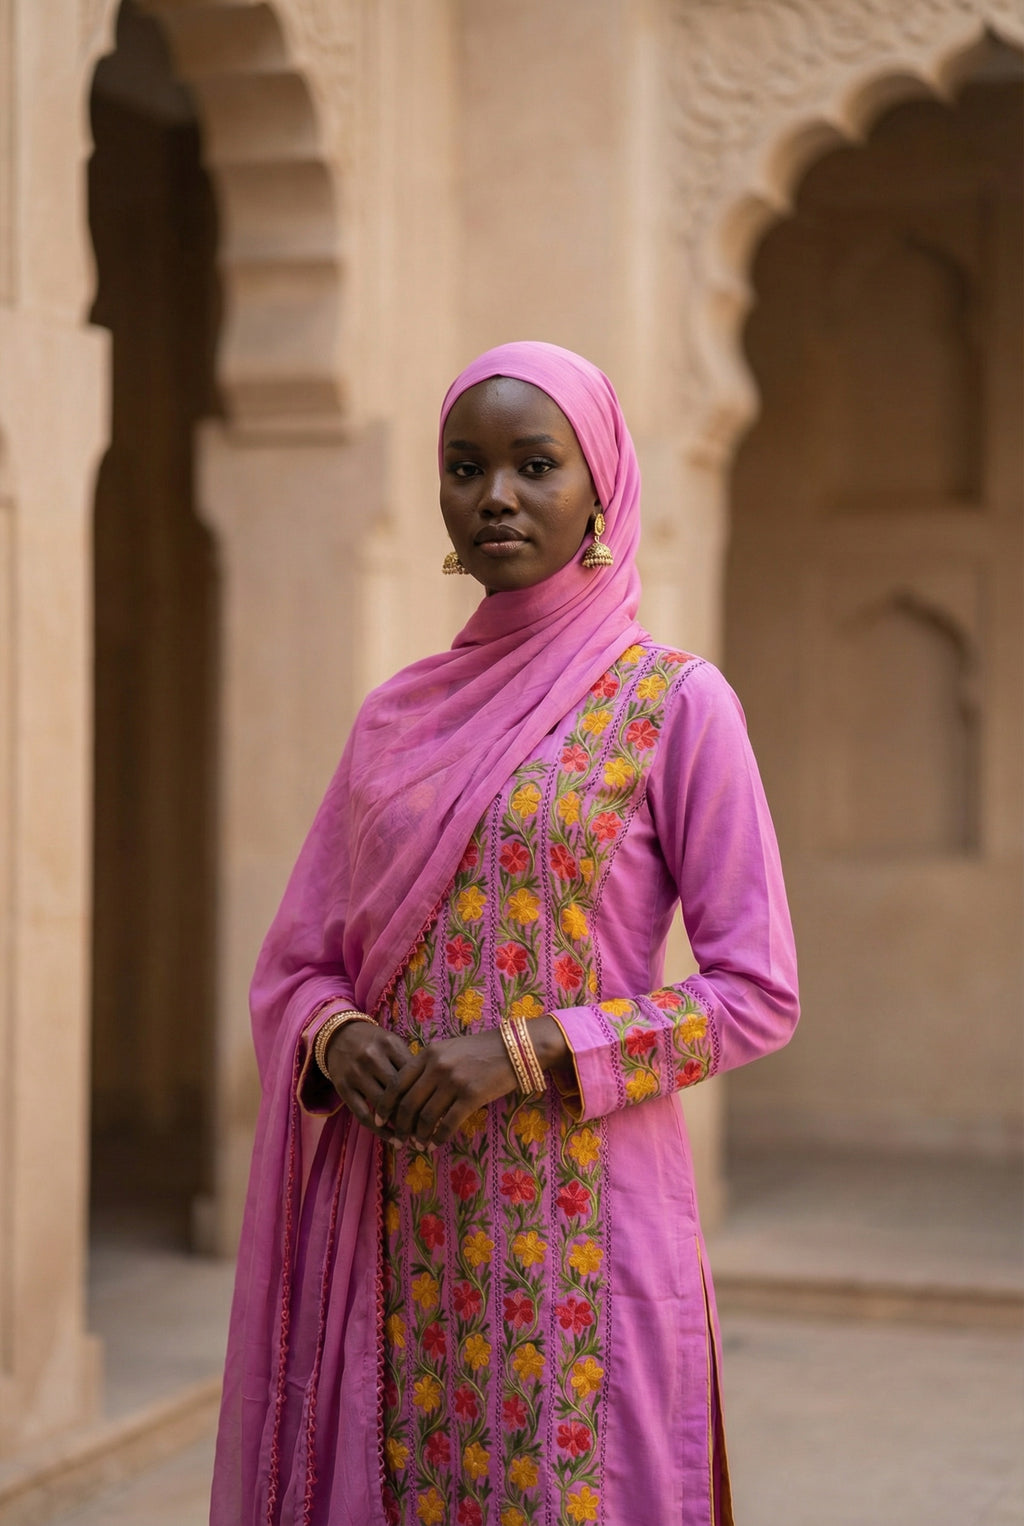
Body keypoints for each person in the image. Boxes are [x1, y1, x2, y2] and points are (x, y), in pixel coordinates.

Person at [210, 341, 799, 1526]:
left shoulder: (672, 702)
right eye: (464, 466)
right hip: (397, 1221)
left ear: (601, 488)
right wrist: (334, 1036)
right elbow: (299, 962)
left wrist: (526, 1049)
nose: (496, 497)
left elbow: (755, 990)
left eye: (535, 465)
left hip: (580, 1230)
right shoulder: (398, 716)